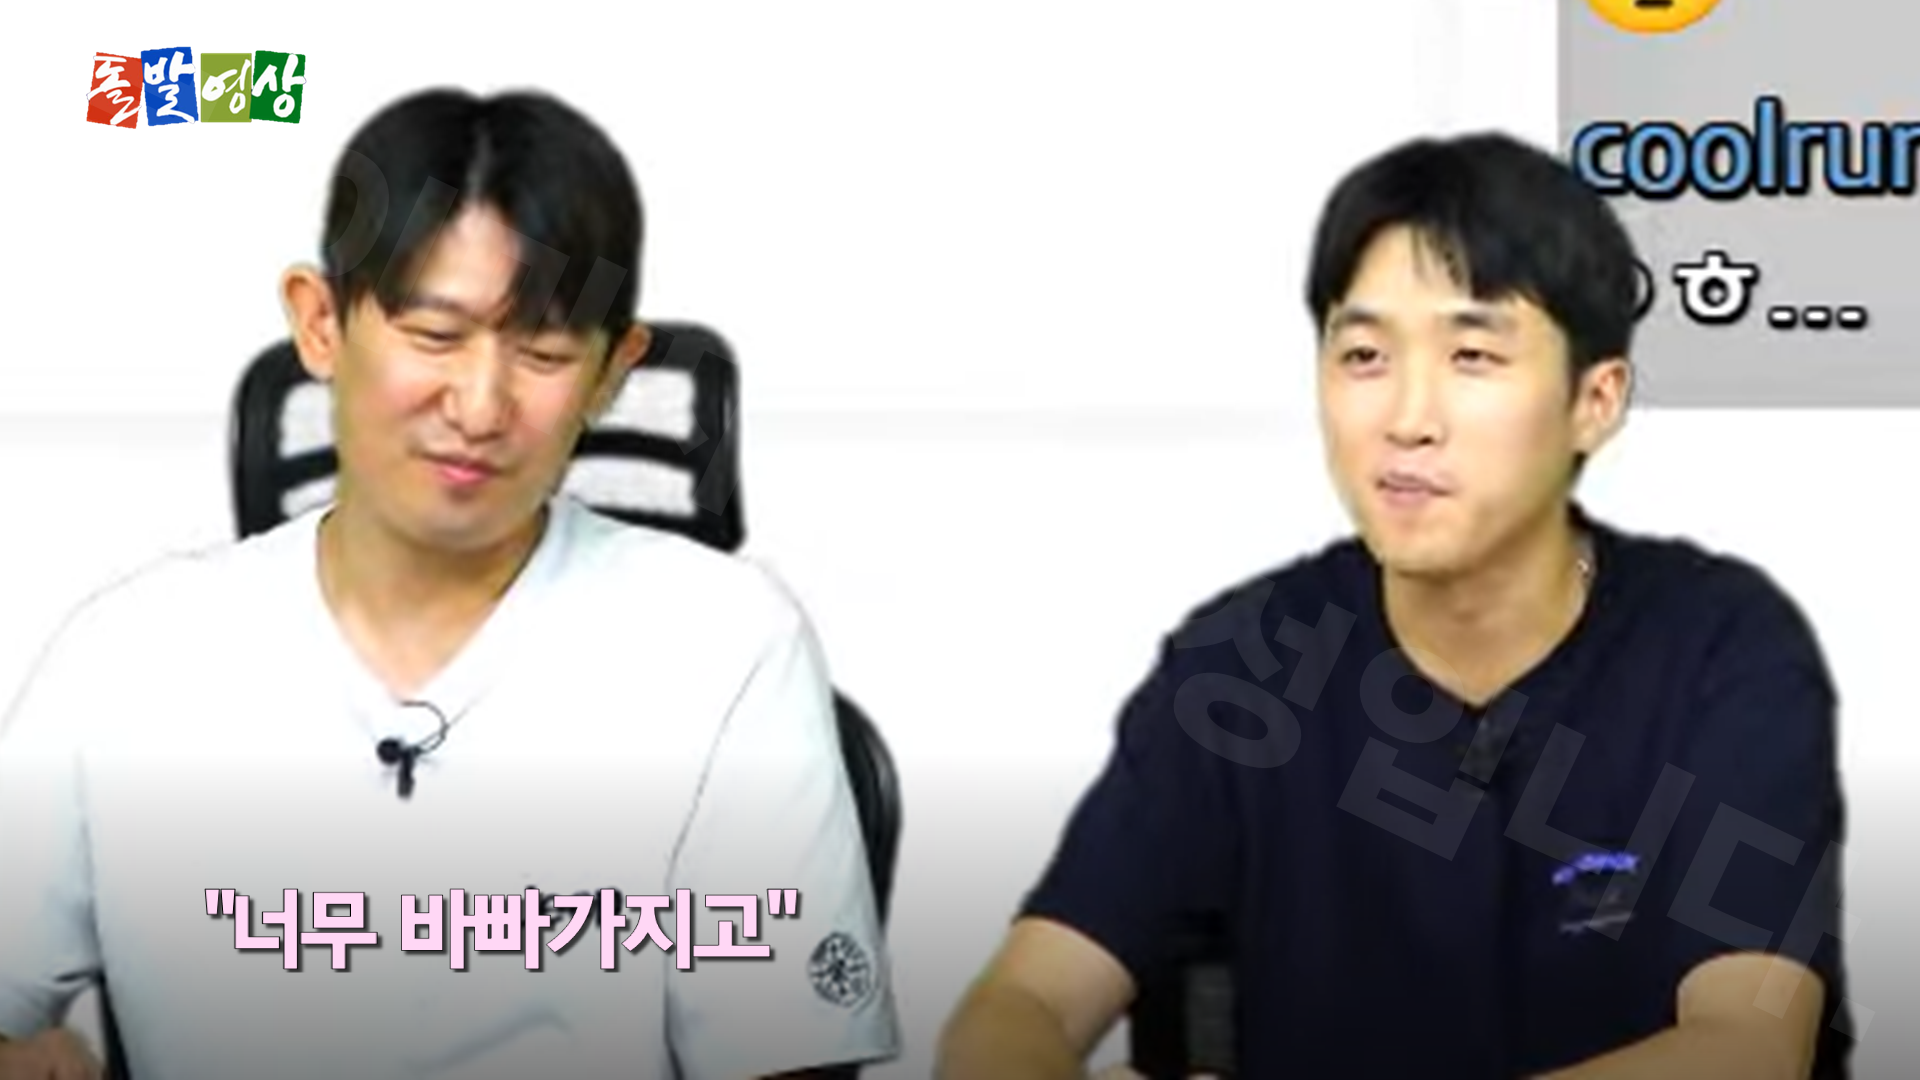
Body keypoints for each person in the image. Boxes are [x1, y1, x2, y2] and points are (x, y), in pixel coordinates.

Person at [0, 88, 899, 1080]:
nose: (479, 407)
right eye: (434, 335)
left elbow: (787, 1055)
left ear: (613, 371)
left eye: (544, 352)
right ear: (321, 323)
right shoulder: (128, 655)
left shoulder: (723, 644)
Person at [938, 132, 1851, 1079]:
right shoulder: (1246, 666)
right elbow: (1017, 1006)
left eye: (1473, 355)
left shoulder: (1721, 654)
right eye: (1365, 355)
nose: (1408, 419)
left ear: (1596, 399)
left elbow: (1749, 1048)